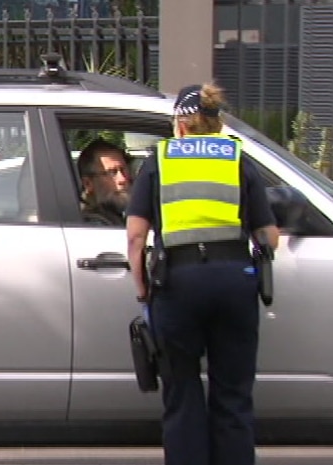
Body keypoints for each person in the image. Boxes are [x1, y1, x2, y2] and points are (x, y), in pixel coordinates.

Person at [125, 82, 280, 465]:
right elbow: (269, 237)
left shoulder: (159, 159)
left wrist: (143, 294)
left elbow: (135, 238)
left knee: (181, 394)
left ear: (180, 123)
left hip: (176, 284)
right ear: (216, 122)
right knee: (233, 396)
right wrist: (255, 252)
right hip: (233, 281)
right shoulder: (235, 157)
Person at [76, 138, 133, 225]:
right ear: (88, 183)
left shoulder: (112, 217)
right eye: (111, 173)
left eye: (123, 169)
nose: (122, 179)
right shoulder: (92, 225)